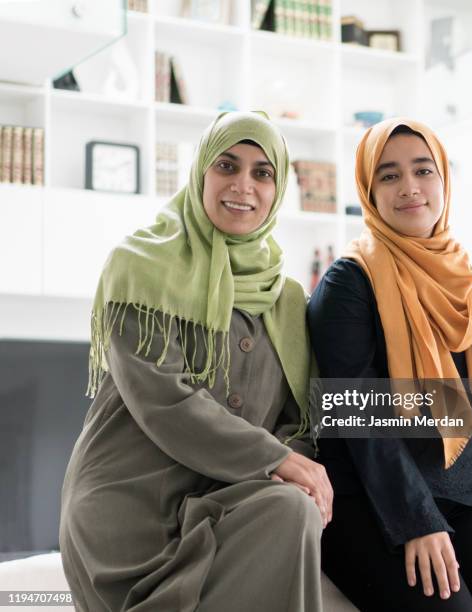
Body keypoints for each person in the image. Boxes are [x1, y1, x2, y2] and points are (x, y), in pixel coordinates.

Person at [59, 111, 333, 612]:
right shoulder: (141, 266)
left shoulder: (287, 299)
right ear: (201, 171)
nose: (242, 185)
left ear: (279, 189)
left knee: (293, 508)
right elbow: (165, 400)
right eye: (227, 165)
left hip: (225, 501)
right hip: (128, 511)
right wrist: (276, 459)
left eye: (262, 172)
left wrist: (294, 462)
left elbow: (298, 422)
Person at [307, 117, 472, 611]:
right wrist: (415, 521)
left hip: (468, 492)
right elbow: (355, 414)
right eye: (389, 175)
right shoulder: (349, 283)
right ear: (369, 189)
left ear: (443, 180)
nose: (409, 188)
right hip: (369, 501)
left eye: (423, 171)